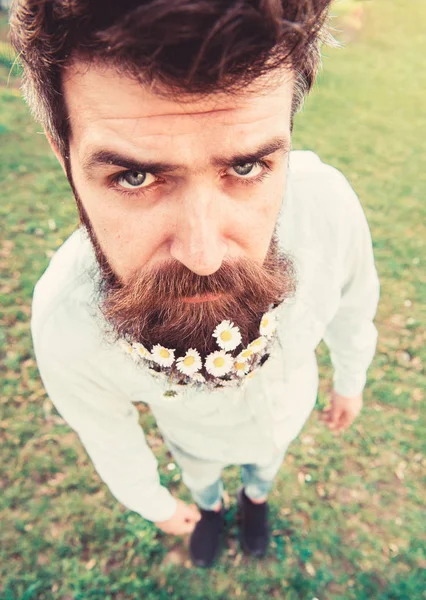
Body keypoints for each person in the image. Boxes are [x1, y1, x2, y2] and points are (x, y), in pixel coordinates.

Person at [9, 0, 380, 568]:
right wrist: (156, 503)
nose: (203, 256)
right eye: (134, 176)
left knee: (266, 469)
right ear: (64, 156)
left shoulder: (328, 211)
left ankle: (256, 501)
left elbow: (355, 306)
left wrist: (350, 380)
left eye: (248, 166)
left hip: (286, 419)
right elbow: (106, 433)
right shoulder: (66, 324)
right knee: (205, 480)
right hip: (196, 447)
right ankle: (211, 509)